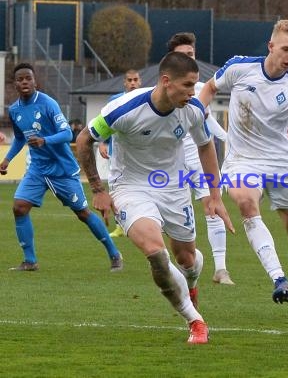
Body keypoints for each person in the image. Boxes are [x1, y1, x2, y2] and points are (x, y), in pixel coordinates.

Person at [75, 52, 234, 344]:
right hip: (130, 187)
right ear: (166, 81)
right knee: (156, 254)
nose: (192, 92)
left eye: (195, 85)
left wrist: (214, 195)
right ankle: (195, 321)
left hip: (173, 189)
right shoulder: (124, 109)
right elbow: (85, 139)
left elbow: (205, 146)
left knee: (188, 260)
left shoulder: (194, 109)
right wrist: (98, 189)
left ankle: (191, 285)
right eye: (187, 85)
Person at [198, 19, 288, 317]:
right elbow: (209, 87)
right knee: (245, 202)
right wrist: (196, 112)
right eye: (285, 49)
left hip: (281, 165)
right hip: (242, 161)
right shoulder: (240, 68)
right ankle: (279, 279)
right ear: (271, 46)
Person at [0, 62, 123, 272]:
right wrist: (8, 159)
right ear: (14, 84)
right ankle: (30, 261)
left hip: (62, 169)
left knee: (82, 213)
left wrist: (44, 141)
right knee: (19, 207)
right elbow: (20, 138)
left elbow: (68, 135)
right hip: (38, 168)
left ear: (35, 81)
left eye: (28, 78)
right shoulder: (15, 110)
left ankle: (114, 253)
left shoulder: (48, 104)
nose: (24, 82)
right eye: (20, 79)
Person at [167, 32, 234, 285]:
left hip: (197, 156)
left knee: (212, 205)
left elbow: (207, 121)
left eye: (191, 55)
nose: (189, 59)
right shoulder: (161, 90)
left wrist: (228, 138)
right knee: (167, 212)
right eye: (184, 55)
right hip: (169, 160)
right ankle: (179, 259)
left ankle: (221, 269)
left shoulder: (200, 89)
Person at [99, 69, 143, 238]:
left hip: (141, 156)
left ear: (140, 82)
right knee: (116, 189)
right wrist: (102, 142)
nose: (132, 83)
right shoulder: (115, 100)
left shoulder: (146, 99)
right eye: (129, 80)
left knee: (145, 187)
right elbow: (105, 124)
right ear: (125, 82)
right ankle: (120, 225)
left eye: (135, 79)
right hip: (117, 156)